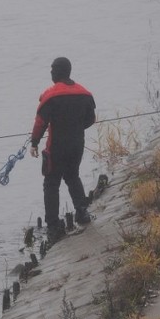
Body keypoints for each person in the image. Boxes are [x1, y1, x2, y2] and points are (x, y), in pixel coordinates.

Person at [29, 57, 96, 241]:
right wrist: (75, 128)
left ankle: (53, 227)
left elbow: (40, 122)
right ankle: (82, 212)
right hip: (77, 144)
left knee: (51, 183)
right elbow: (91, 119)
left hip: (56, 146)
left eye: (52, 69)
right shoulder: (85, 94)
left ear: (59, 71)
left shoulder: (50, 95)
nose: (51, 72)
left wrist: (34, 143)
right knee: (72, 176)